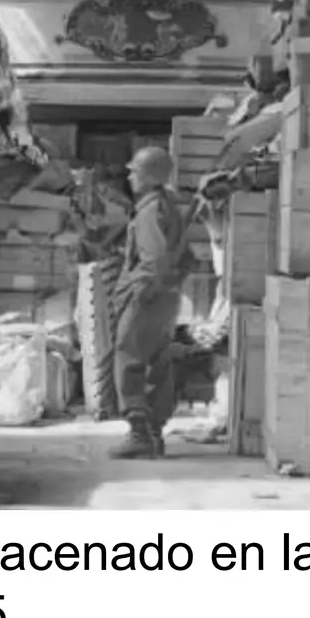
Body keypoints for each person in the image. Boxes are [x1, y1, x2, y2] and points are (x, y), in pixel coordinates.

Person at [109, 145, 189, 459]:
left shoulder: (148, 213)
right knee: (159, 361)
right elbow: (185, 258)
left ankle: (139, 434)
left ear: (147, 176)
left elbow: (153, 259)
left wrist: (141, 291)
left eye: (134, 172)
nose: (129, 177)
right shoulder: (169, 208)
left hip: (147, 296)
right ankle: (154, 432)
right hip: (167, 297)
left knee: (127, 356)